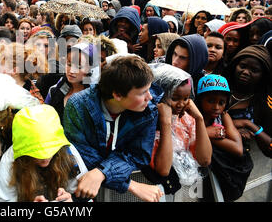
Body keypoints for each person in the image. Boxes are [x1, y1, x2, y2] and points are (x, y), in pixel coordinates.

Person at [63, 55, 164, 202]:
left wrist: (100, 172)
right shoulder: (78, 106)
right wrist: (130, 185)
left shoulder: (148, 111)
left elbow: (138, 155)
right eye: (143, 92)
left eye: (148, 89)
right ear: (117, 94)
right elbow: (83, 156)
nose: (149, 97)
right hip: (81, 189)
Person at [0, 105, 88, 202]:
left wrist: (71, 200)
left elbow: (85, 195)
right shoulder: (10, 159)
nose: (45, 157)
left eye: (51, 149)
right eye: (36, 152)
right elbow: (3, 201)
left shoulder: (67, 151)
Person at [144, 64, 212, 194]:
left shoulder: (185, 119)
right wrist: (166, 123)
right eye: (175, 98)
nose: (181, 104)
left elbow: (205, 160)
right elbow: (164, 170)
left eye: (186, 98)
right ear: (159, 95)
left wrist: (199, 119)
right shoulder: (148, 125)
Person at [195, 75, 251, 202]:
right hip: (198, 178)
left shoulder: (224, 116)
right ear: (200, 100)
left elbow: (237, 149)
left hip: (222, 176)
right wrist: (207, 133)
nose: (216, 107)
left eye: (221, 102)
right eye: (210, 101)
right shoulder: (195, 118)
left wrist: (208, 136)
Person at [226, 45, 271, 158]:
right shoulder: (219, 87)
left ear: (263, 75)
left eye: (254, 70)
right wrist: (233, 127)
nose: (246, 72)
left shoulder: (264, 103)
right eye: (242, 66)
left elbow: (270, 144)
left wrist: (250, 125)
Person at [45, 42, 99, 124]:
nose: (72, 71)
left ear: (90, 69)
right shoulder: (54, 91)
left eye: (79, 66)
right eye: (69, 64)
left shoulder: (95, 98)